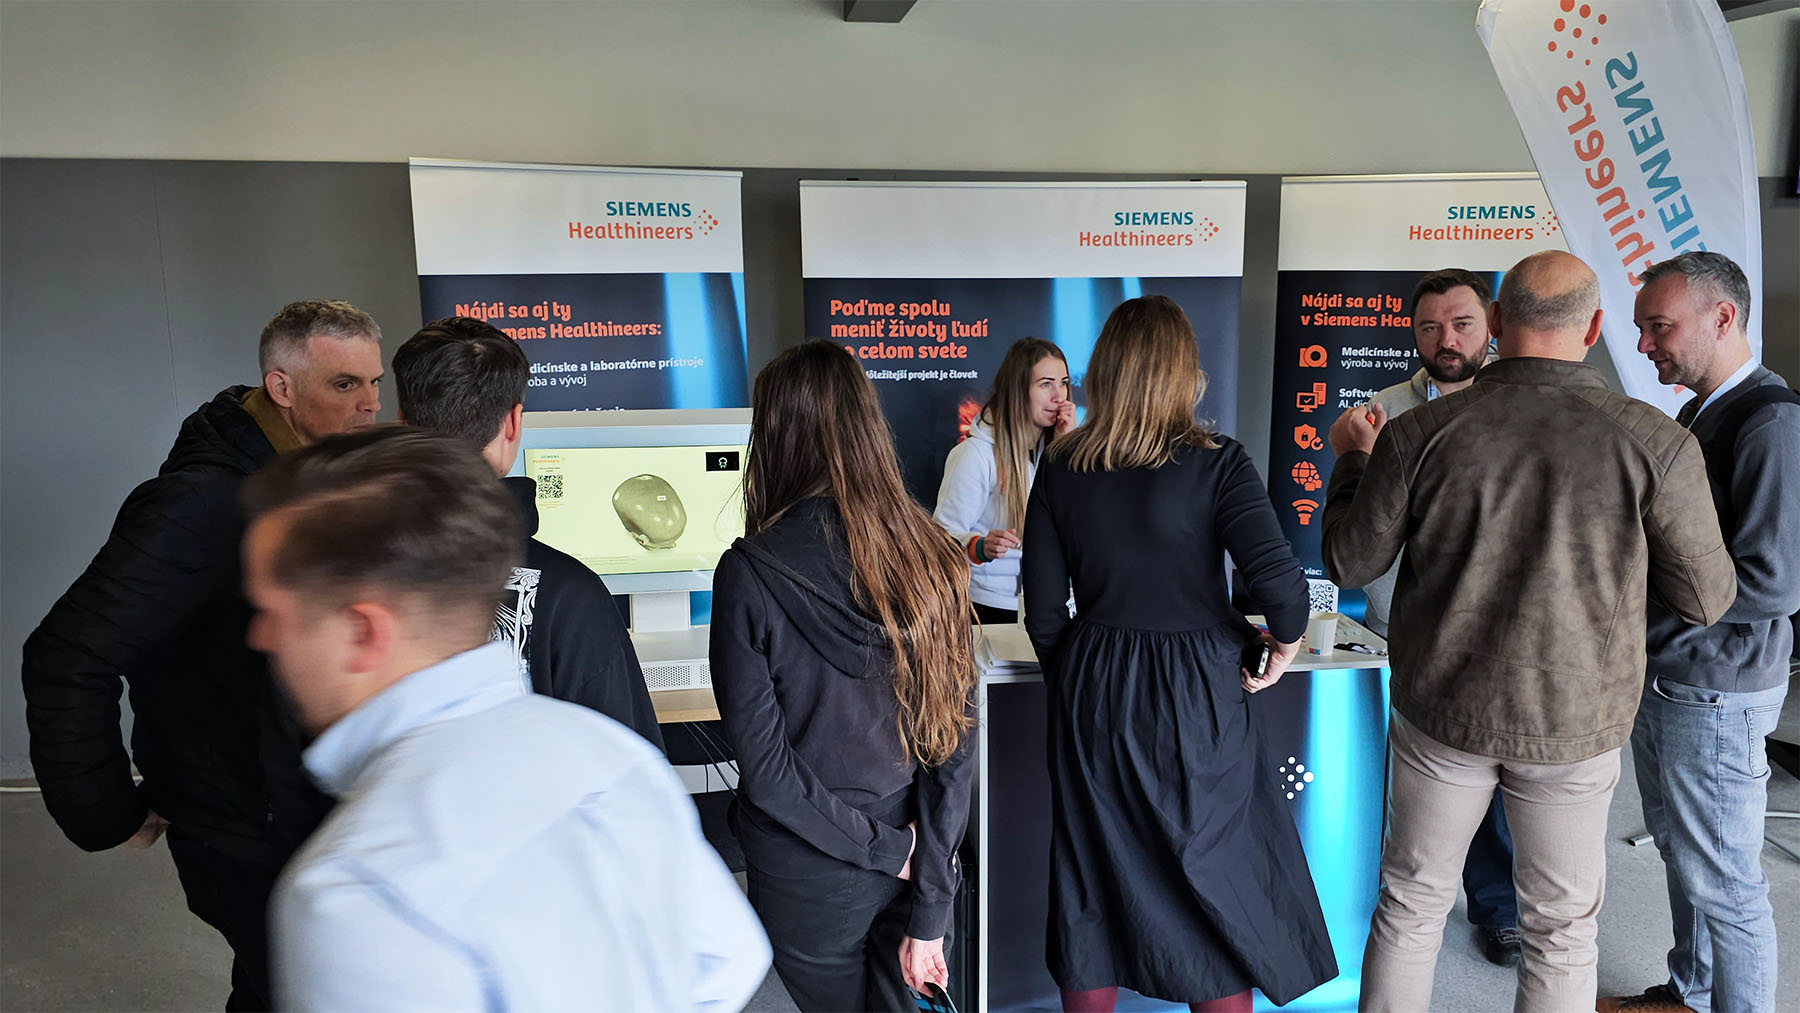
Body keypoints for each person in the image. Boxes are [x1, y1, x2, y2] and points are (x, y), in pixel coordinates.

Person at [1319, 251, 1736, 1013]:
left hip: (1442, 709)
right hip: (1575, 722)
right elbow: (1707, 597)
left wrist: (1351, 460)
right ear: (1598, 326)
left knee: (1411, 905)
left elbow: (1350, 560)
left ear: (1499, 324)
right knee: (1561, 931)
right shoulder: (1656, 440)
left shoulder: (1419, 431)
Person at [248, 427, 768, 1011]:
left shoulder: (356, 891)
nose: (260, 635)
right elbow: (732, 954)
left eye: (275, 611)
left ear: (363, 632)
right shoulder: (609, 752)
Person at [21, 299, 383, 1011]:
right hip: (241, 820)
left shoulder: (297, 474)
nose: (371, 404)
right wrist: (108, 810)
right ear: (281, 388)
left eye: (374, 383)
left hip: (279, 805)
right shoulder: (204, 501)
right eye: (346, 385)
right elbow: (66, 654)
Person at [1022, 295, 1337, 1013]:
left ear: (1105, 370)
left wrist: (1082, 673)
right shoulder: (1217, 463)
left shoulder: (1063, 463)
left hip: (1092, 681)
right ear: (1184, 372)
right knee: (1214, 868)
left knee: (1089, 873)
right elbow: (1285, 593)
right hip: (1201, 688)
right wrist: (1278, 650)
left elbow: (1043, 612)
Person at [711, 341, 979, 1013]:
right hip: (918, 854)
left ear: (772, 436)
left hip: (810, 872)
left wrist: (889, 853)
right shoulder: (936, 562)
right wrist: (932, 894)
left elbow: (769, 772)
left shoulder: (748, 571)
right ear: (866, 426)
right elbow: (953, 743)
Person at [1600, 252, 1800, 1013]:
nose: (1646, 343)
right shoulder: (1696, 414)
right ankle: (1688, 994)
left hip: (1716, 692)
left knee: (1727, 882)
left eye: (1660, 325)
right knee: (1688, 860)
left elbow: (1775, 582)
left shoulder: (1771, 423)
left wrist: (1650, 597)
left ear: (1723, 318)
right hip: (1673, 679)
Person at [391, 316, 663, 749]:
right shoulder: (571, 593)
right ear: (514, 424)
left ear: (402, 422)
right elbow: (629, 768)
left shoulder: (336, 572)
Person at [1364, 268, 1521, 969]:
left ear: (1490, 322)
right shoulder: (1385, 411)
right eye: (1429, 327)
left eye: (1460, 324)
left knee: (1498, 787)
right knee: (1415, 779)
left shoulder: (1520, 406)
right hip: (1409, 627)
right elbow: (1364, 537)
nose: (1445, 339)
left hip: (1501, 635)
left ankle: (1499, 907)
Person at [933, 337, 1075, 624]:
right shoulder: (974, 454)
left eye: (1063, 382)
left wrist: (1066, 451)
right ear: (1018, 391)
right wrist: (980, 547)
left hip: (1053, 606)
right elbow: (941, 540)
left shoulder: (1058, 449)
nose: (1059, 396)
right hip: (990, 609)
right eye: (1046, 384)